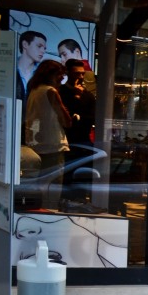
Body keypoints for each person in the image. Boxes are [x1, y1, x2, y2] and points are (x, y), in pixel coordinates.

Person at [59, 58, 97, 206]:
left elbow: (90, 118)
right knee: (67, 173)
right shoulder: (61, 92)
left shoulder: (88, 95)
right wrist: (76, 100)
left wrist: (77, 117)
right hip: (67, 140)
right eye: (77, 73)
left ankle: (80, 198)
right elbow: (64, 119)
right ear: (68, 73)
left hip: (82, 140)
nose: (81, 77)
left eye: (82, 73)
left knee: (83, 172)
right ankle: (66, 199)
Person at [23, 59, 71, 175]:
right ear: (51, 75)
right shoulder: (51, 91)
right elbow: (67, 122)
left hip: (35, 144)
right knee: (53, 186)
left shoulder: (34, 90)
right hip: (53, 146)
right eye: (59, 74)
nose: (61, 78)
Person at [16, 30, 46, 104]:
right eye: (39, 46)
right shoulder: (9, 67)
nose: (43, 51)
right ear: (25, 44)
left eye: (44, 48)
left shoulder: (43, 72)